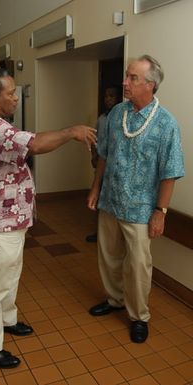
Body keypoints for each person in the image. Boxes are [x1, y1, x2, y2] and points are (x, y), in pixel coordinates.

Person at [0, 68, 96, 369]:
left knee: (9, 277)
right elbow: (34, 144)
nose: (15, 98)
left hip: (9, 219)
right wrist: (71, 131)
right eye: (10, 93)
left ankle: (8, 320)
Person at [87, 55, 184, 343]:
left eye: (132, 78)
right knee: (108, 256)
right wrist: (95, 189)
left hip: (141, 209)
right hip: (110, 201)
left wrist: (160, 212)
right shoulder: (117, 113)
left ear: (150, 85)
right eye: (127, 76)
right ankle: (114, 299)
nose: (125, 82)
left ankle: (139, 316)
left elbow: (171, 172)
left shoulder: (166, 124)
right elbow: (104, 154)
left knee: (139, 264)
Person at [86, 87, 120, 243]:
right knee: (98, 196)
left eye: (112, 96)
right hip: (101, 161)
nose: (108, 99)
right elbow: (95, 138)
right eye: (106, 96)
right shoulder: (102, 118)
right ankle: (98, 231)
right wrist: (93, 155)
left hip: (115, 166)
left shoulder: (121, 117)